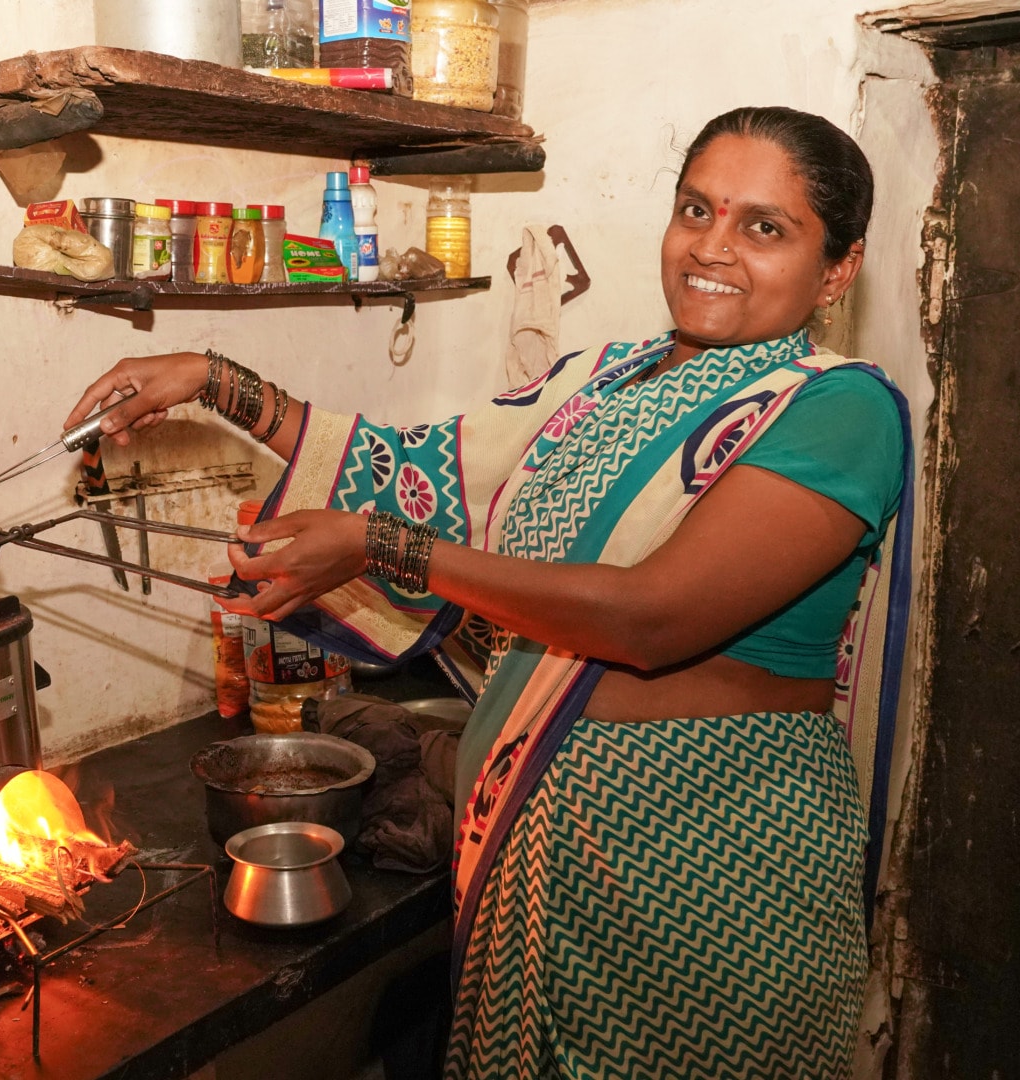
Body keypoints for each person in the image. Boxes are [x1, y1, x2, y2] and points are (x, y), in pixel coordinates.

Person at [64, 106, 911, 1078]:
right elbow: (419, 474)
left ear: (837, 269)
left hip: (711, 859)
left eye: (765, 226)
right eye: (697, 209)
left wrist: (383, 548)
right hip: (546, 848)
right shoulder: (599, 382)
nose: (713, 247)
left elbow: (648, 617)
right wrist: (215, 382)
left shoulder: (836, 410)